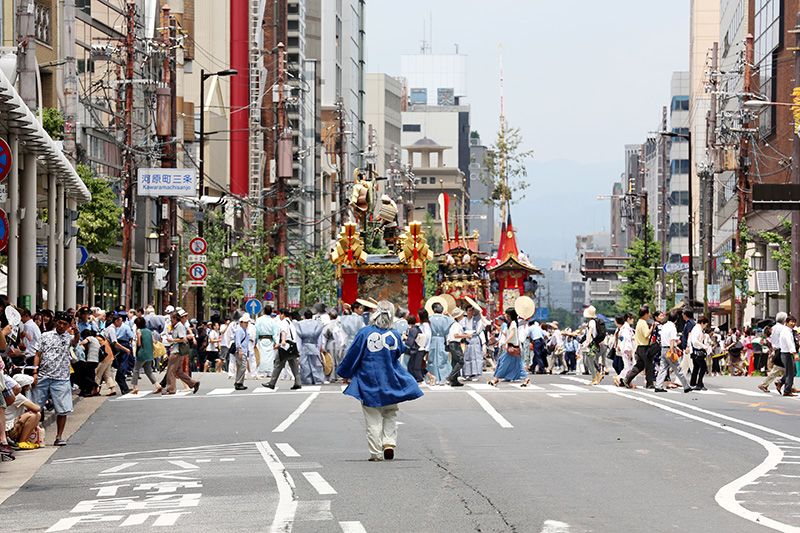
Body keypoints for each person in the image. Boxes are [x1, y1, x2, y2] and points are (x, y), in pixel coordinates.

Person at [337, 300, 423, 461]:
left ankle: (375, 452)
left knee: (372, 416)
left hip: (369, 379)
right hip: (390, 378)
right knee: (390, 412)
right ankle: (389, 442)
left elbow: (353, 354)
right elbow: (398, 353)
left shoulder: (364, 333)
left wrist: (345, 372)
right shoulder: (395, 334)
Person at [33, 311, 80, 446]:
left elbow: (75, 342)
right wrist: (35, 372)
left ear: (68, 326)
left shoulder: (68, 337)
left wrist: (76, 332)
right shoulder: (45, 336)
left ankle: (59, 436)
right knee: (35, 407)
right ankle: (33, 435)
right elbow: (38, 354)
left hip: (61, 377)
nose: (61, 326)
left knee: (62, 409)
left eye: (64, 324)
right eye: (59, 323)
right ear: (55, 322)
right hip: (43, 375)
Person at [488, 308, 531, 386]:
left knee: (503, 362)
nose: (505, 315)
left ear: (510, 315)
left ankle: (496, 379)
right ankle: (526, 379)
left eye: (506, 314)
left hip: (513, 348)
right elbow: (507, 333)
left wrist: (506, 341)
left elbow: (512, 333)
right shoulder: (509, 323)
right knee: (518, 365)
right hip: (513, 347)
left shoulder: (513, 323)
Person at [264, 309, 303, 391]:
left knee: (278, 364)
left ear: (283, 314)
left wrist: (282, 341)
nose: (279, 316)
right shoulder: (290, 323)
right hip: (292, 346)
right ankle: (298, 382)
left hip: (285, 346)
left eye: (280, 314)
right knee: (294, 365)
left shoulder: (284, 322)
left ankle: (272, 383)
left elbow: (283, 332)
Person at [617, 306, 654, 389]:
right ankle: (650, 383)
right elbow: (646, 334)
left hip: (639, 347)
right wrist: (652, 327)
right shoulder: (643, 323)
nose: (649, 315)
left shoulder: (639, 322)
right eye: (648, 313)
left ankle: (627, 379)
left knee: (639, 366)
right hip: (644, 347)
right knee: (648, 365)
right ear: (645, 314)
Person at [655, 310, 692, 393]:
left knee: (663, 368)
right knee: (677, 368)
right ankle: (686, 386)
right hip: (669, 349)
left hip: (663, 348)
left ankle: (658, 386)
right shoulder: (672, 327)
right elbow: (672, 340)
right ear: (676, 319)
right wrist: (672, 351)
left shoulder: (664, 325)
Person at [165, 312, 200, 395]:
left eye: (172, 319)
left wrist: (172, 340)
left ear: (175, 318)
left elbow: (183, 339)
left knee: (171, 371)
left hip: (177, 351)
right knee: (178, 372)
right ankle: (193, 383)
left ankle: (171, 389)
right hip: (177, 351)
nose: (171, 320)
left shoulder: (179, 326)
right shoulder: (177, 326)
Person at [5, 374, 41, 450]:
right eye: (28, 385)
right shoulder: (17, 396)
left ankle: (25, 440)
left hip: (10, 426)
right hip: (9, 428)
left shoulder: (12, 394)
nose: (29, 387)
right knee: (35, 415)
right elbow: (36, 408)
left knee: (32, 414)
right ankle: (22, 441)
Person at [131, 317, 160, 395]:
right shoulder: (149, 331)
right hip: (149, 353)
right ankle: (157, 385)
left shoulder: (139, 331)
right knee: (148, 371)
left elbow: (139, 344)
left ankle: (135, 387)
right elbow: (154, 341)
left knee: (136, 370)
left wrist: (138, 339)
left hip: (141, 353)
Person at [759, 313, 787, 393]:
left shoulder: (773, 328)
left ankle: (787, 385)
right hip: (781, 349)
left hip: (776, 349)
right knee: (785, 369)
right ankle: (781, 383)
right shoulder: (783, 328)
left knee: (781, 369)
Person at [427, 302, 453, 385]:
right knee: (443, 358)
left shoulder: (429, 318)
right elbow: (453, 322)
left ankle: (432, 377)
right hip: (442, 339)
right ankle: (443, 377)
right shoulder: (446, 319)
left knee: (432, 359)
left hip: (433, 339)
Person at [296, 309, 325, 385]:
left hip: (304, 345)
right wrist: (320, 347)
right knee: (316, 364)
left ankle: (306, 380)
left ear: (304, 316)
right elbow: (320, 338)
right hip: (314, 345)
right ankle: (317, 379)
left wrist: (298, 350)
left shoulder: (299, 324)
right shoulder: (317, 324)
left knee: (304, 364)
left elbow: (298, 339)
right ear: (312, 316)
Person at [581, 305, 606, 385]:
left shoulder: (591, 322)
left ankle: (595, 378)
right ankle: (598, 374)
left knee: (589, 361)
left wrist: (587, 342)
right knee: (590, 360)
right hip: (594, 343)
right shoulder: (594, 321)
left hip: (592, 344)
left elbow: (590, 332)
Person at [445, 307, 468, 387]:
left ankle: (454, 380)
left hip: (453, 343)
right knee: (460, 361)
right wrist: (466, 335)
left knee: (455, 362)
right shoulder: (456, 325)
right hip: (454, 343)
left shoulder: (455, 324)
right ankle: (451, 377)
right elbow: (456, 335)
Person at [689, 316, 712, 391]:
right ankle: (699, 384)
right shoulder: (697, 329)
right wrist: (703, 346)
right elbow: (694, 340)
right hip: (697, 350)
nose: (705, 326)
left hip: (694, 351)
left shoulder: (697, 328)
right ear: (702, 323)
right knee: (703, 367)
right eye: (705, 324)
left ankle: (693, 383)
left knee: (696, 367)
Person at [462, 306, 485, 380]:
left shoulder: (476, 320)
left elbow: (482, 326)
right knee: (467, 356)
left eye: (472, 311)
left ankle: (476, 374)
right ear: (466, 311)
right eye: (469, 310)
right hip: (466, 339)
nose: (471, 312)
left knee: (476, 357)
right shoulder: (463, 320)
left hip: (474, 339)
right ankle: (467, 373)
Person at [778, 315, 798, 397]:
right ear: (787, 322)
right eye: (791, 322)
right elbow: (790, 343)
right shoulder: (786, 332)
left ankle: (780, 382)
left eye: (794, 322)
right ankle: (787, 390)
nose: (793, 324)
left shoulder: (788, 331)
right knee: (791, 372)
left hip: (786, 353)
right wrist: (794, 353)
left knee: (792, 371)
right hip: (787, 354)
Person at [255, 306, 278, 378]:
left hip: (261, 339)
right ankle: (269, 371)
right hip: (270, 340)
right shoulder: (273, 321)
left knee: (261, 355)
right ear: (271, 312)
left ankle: (261, 371)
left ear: (264, 311)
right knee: (270, 356)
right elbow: (275, 333)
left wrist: (255, 340)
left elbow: (256, 331)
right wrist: (276, 342)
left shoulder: (259, 320)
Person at [232, 314, 252, 390]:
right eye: (245, 322)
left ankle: (239, 382)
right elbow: (238, 341)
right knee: (243, 367)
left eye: (247, 322)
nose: (246, 324)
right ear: (241, 322)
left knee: (241, 367)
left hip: (244, 350)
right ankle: (238, 382)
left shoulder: (244, 330)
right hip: (241, 351)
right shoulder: (239, 330)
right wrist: (239, 350)